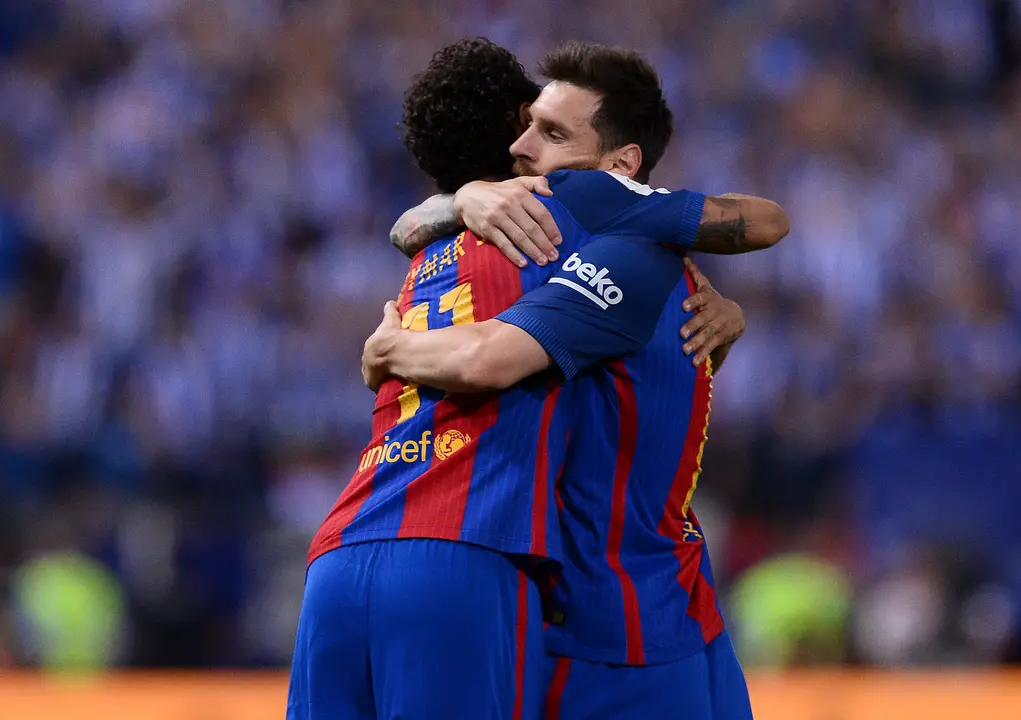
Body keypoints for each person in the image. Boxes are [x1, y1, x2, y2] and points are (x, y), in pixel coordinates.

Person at [288, 39, 759, 720]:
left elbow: (415, 232)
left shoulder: (434, 258)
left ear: (621, 167)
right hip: (603, 621)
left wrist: (385, 348)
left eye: (552, 132)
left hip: (362, 550)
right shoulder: (616, 253)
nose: (528, 148)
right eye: (529, 126)